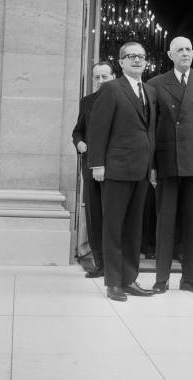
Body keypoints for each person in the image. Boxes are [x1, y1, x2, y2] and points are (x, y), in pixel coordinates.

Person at [148, 36, 193, 294]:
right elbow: (150, 128)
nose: (185, 53)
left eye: (189, 49)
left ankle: (190, 278)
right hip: (167, 159)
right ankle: (161, 278)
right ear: (170, 55)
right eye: (179, 50)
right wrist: (152, 165)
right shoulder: (155, 83)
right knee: (165, 221)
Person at [88, 42, 156, 302]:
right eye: (131, 56)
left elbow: (148, 131)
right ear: (122, 62)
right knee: (114, 227)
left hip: (140, 170)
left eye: (141, 56)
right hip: (115, 170)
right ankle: (113, 282)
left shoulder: (149, 91)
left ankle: (129, 279)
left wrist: (152, 168)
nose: (137, 60)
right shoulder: (111, 89)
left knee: (133, 229)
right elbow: (98, 128)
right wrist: (97, 164)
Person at [72, 61, 115, 278]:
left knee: (113, 218)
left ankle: (115, 265)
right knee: (95, 216)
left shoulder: (121, 100)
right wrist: (79, 143)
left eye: (104, 77)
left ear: (113, 77)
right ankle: (100, 264)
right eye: (96, 77)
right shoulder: (86, 102)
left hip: (116, 168)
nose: (100, 81)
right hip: (90, 167)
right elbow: (78, 131)